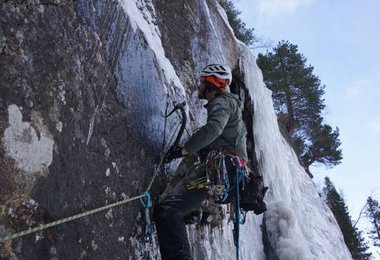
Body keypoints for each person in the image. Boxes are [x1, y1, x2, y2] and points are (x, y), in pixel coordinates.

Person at [153, 64, 248, 260]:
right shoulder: (232, 104)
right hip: (229, 173)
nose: (198, 87)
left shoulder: (222, 102)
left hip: (221, 169)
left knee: (168, 210)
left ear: (212, 83)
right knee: (177, 205)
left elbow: (213, 130)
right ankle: (193, 211)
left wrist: (183, 150)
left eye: (202, 82)